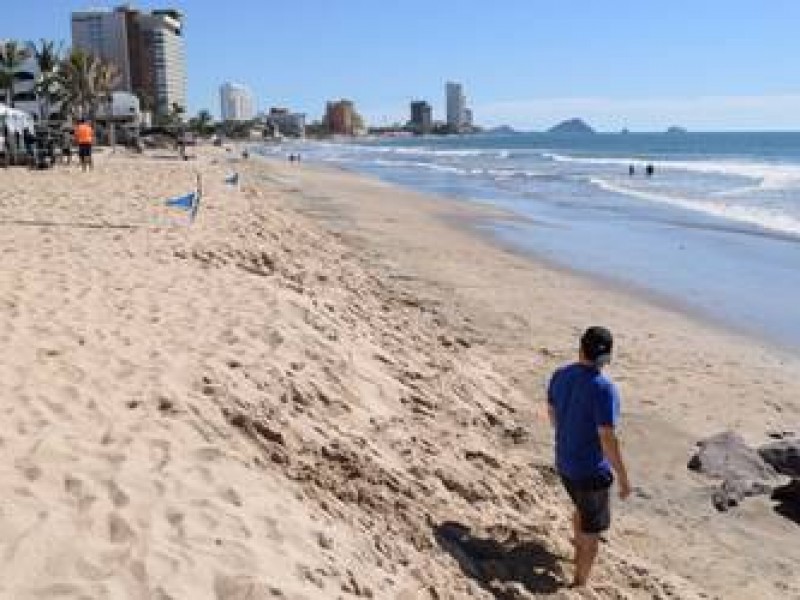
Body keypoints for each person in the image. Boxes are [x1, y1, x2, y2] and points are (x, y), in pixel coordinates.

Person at [547, 326, 631, 588]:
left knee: (581, 509)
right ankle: (580, 582)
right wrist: (623, 478)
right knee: (592, 531)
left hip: (564, 462)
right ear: (607, 358)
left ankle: (577, 553)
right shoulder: (604, 389)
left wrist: (570, 436)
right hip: (591, 472)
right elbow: (608, 438)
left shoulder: (560, 375)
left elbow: (553, 414)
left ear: (580, 348)